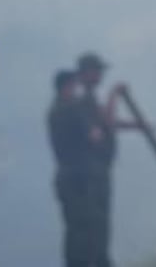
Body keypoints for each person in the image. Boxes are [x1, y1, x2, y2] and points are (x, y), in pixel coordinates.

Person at [70, 52, 146, 267]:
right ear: (85, 74)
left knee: (100, 225)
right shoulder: (80, 103)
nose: (100, 75)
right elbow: (108, 122)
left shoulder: (89, 101)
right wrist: (114, 94)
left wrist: (139, 126)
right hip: (90, 174)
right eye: (96, 71)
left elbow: (109, 121)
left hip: (98, 171)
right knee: (95, 226)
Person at [47, 69, 89, 267]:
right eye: (73, 86)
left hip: (69, 174)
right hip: (73, 175)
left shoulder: (58, 110)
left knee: (77, 226)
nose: (75, 90)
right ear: (65, 88)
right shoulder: (66, 110)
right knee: (79, 226)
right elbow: (91, 135)